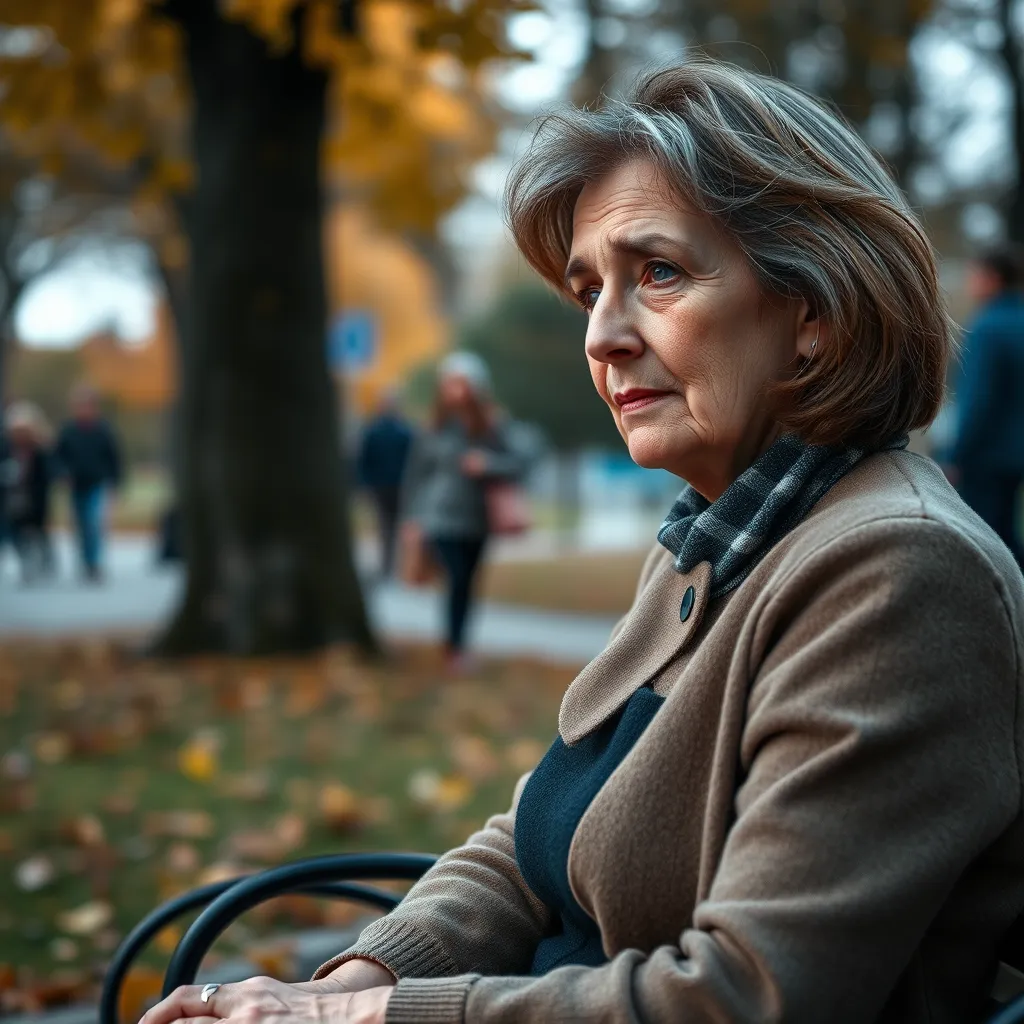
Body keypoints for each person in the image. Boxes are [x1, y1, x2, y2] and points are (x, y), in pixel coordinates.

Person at [143, 58, 1024, 1024]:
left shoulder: (897, 570)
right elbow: (536, 837)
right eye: (588, 288)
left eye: (658, 273)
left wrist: (365, 1021)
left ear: (812, 311)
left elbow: (746, 997)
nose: (602, 333)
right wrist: (366, 977)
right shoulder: (714, 536)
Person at [399, 352, 528, 673]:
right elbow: (416, 475)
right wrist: (410, 518)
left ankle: (459, 644)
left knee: (468, 583)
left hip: (477, 520)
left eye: (463, 383)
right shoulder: (434, 427)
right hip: (440, 518)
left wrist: (487, 464)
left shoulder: (492, 425)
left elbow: (518, 463)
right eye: (451, 383)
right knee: (456, 579)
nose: (456, 391)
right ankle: (453, 648)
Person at [948, 243, 1024, 564]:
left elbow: (977, 399)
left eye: (975, 275)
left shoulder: (987, 327)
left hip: (986, 456)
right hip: (1016, 453)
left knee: (985, 540)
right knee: (1007, 531)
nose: (970, 281)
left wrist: (955, 455)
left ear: (992, 278)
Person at [55, 384, 121, 582]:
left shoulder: (103, 430)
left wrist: (115, 482)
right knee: (81, 524)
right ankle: (85, 560)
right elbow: (58, 457)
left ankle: (94, 562)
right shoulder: (68, 431)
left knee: (94, 522)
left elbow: (114, 458)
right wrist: (62, 473)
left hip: (97, 483)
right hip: (76, 485)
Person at [356, 390, 415, 579]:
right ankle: (394, 566)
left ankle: (389, 566)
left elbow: (363, 461)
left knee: (386, 526)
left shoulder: (374, 431)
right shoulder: (404, 431)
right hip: (396, 485)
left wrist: (365, 484)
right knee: (395, 525)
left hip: (384, 485)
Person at [4, 401, 54, 584]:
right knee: (17, 531)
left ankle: (43, 560)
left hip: (35, 498)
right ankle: (26, 561)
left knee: (37, 531)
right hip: (14, 497)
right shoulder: (7, 449)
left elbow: (49, 471)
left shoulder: (40, 450)